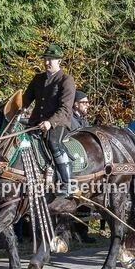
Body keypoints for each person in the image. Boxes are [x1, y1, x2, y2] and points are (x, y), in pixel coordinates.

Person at [22, 43, 77, 196]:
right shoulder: (38, 79)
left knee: (54, 143)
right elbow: (24, 101)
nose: (46, 62)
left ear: (59, 60)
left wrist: (50, 122)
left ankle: (68, 183)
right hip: (35, 123)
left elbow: (65, 108)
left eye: (50, 60)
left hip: (58, 123)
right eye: (45, 59)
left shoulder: (66, 80)